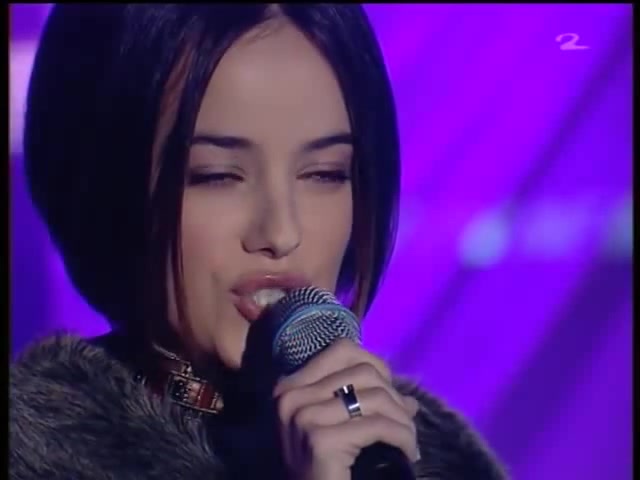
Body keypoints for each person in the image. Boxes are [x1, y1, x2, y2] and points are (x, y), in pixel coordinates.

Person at [9, 4, 507, 479]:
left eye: (325, 173)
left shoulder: (420, 455)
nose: (281, 233)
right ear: (107, 185)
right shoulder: (35, 455)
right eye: (218, 175)